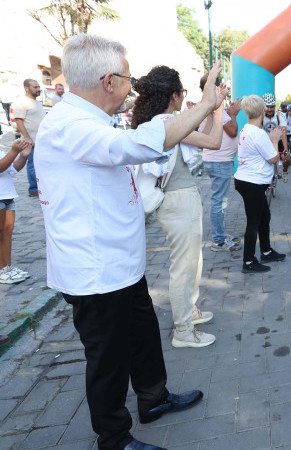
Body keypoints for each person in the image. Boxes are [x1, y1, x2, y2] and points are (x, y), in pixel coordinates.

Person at [36, 34, 227, 450]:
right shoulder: (71, 125)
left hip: (121, 261)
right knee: (107, 358)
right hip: (95, 269)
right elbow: (137, 146)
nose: (132, 85)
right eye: (127, 77)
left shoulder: (90, 121)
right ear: (109, 81)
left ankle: (153, 398)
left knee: (142, 334)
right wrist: (207, 104)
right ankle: (115, 437)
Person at [132, 66, 221, 349]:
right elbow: (213, 141)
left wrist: (211, 110)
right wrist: (216, 109)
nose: (184, 98)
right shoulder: (167, 123)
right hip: (177, 201)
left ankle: (190, 312)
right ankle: (182, 330)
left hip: (183, 199)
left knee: (193, 263)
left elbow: (204, 137)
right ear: (173, 95)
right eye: (182, 93)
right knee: (184, 266)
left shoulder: (169, 122)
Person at [235, 95, 286, 273]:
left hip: (248, 181)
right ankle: (248, 262)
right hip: (252, 183)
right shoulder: (258, 134)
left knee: (265, 218)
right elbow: (273, 158)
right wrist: (274, 139)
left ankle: (266, 251)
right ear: (263, 112)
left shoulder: (247, 129)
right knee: (253, 223)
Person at [203, 76, 242, 252]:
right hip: (219, 161)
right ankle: (218, 240)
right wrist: (233, 114)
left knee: (219, 200)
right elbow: (232, 131)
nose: (224, 89)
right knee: (219, 201)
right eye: (220, 86)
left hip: (217, 160)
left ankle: (220, 234)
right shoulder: (216, 106)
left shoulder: (211, 105)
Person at [0, 137, 33, 284]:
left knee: (7, 233)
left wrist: (23, 156)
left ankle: (7, 268)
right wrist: (14, 151)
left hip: (7, 195)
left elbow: (11, 169)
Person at [12, 79, 45, 197]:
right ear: (27, 88)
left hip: (40, 140)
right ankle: (33, 189)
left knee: (40, 164)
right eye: (35, 87)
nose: (38, 89)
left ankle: (40, 187)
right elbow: (19, 120)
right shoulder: (21, 102)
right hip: (31, 140)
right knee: (32, 164)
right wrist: (27, 138)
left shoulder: (37, 102)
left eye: (38, 87)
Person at [262, 93, 290, 182]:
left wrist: (285, 149)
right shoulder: (260, 115)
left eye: (272, 107)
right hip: (266, 140)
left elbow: (284, 133)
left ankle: (285, 171)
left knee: (287, 158)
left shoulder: (280, 115)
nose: (269, 109)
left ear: (275, 106)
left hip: (278, 140)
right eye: (267, 107)